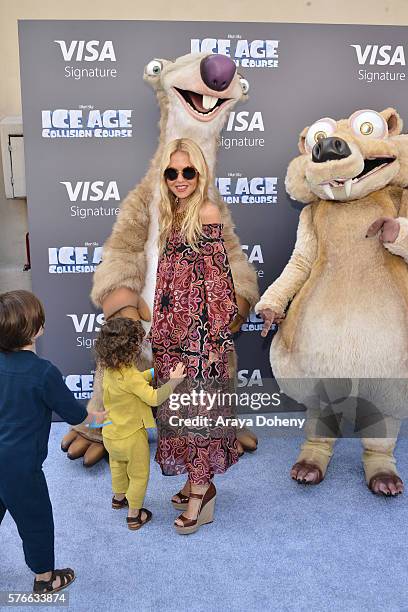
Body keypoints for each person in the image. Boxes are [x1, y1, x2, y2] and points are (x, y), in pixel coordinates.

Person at [148, 138, 240, 535]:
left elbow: (219, 283)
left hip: (198, 337)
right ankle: (192, 478)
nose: (180, 179)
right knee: (177, 411)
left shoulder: (205, 211)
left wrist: (214, 340)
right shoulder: (174, 211)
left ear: (200, 173)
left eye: (188, 172)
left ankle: (202, 490)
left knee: (198, 412)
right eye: (173, 173)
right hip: (171, 331)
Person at [0, 290, 107, 594]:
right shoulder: (43, 373)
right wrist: (103, 417)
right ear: (36, 329)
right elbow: (76, 416)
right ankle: (46, 579)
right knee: (37, 523)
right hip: (22, 468)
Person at [94, 317, 186, 530]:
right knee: (138, 475)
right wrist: (173, 382)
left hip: (110, 434)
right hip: (131, 437)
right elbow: (153, 398)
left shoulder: (109, 368)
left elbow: (131, 382)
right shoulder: (130, 377)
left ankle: (118, 498)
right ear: (131, 348)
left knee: (117, 466)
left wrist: (154, 373)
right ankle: (134, 514)